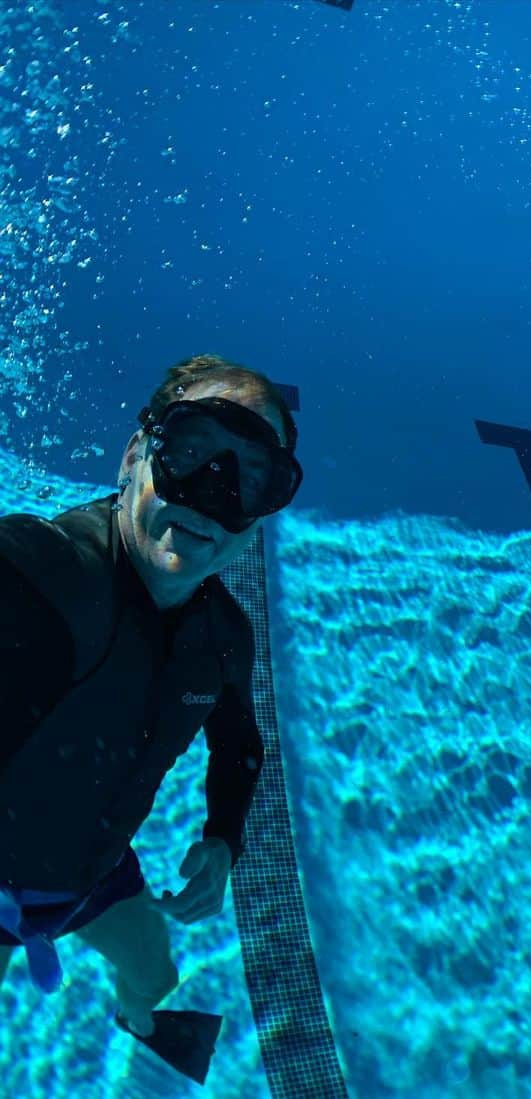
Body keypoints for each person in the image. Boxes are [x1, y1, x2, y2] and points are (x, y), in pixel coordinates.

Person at [0, 354, 303, 1081]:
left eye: (248, 477)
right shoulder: (49, 574)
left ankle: (142, 1054)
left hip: (92, 878)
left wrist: (223, 838)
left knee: (155, 979)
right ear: (136, 455)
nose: (210, 495)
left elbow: (239, 744)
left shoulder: (224, 638)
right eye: (191, 450)